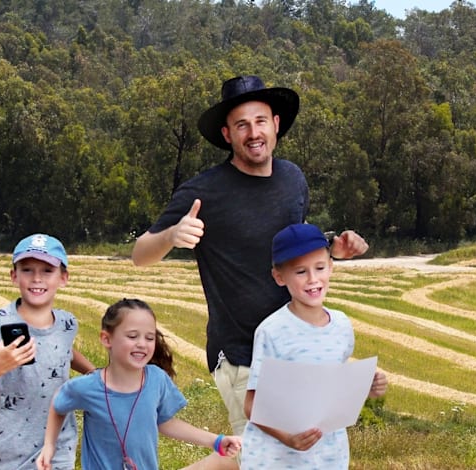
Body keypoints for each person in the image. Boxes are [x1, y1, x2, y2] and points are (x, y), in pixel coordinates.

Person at [131, 75, 369, 441]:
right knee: (265, 456)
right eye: (241, 125)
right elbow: (140, 254)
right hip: (243, 354)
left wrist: (333, 247)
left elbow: (294, 246)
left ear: (275, 125)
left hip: (296, 347)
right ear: (227, 135)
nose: (253, 132)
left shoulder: (293, 179)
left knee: (309, 453)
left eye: (260, 121)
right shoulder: (204, 190)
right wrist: (171, 236)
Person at [240, 223, 387, 468]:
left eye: (319, 268)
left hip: (328, 456)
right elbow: (252, 405)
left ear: (330, 267)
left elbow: (336, 388)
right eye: (300, 272)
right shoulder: (272, 331)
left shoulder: (341, 325)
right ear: (279, 276)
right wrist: (287, 438)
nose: (312, 279)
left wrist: (367, 386)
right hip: (277, 460)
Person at [36, 298, 242, 470]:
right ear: (106, 339)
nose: (142, 343)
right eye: (132, 336)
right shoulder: (88, 387)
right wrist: (49, 445)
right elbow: (58, 403)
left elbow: (164, 422)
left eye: (149, 337)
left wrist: (215, 441)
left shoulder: (157, 379)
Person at [0, 233, 95, 469]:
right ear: (14, 276)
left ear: (63, 278)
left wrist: (93, 373)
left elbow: (64, 350)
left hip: (58, 451)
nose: (37, 278)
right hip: (5, 457)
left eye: (47, 271)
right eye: (27, 270)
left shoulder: (67, 323)